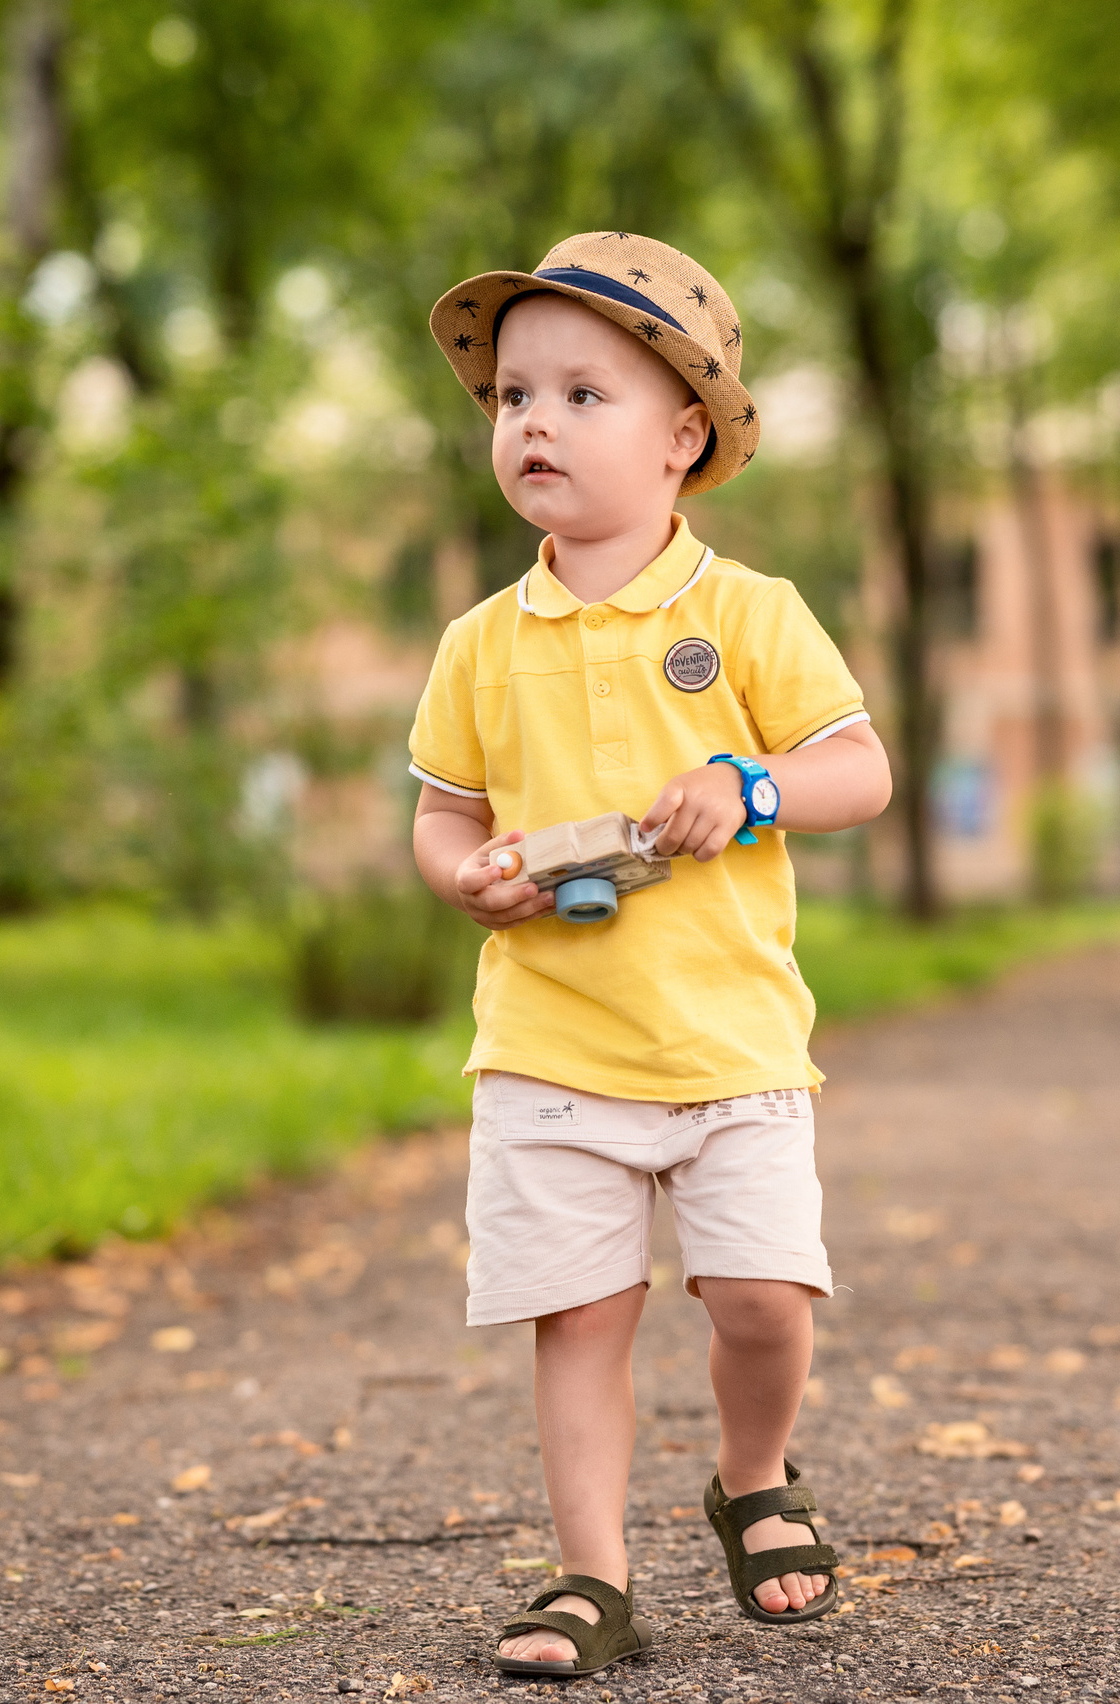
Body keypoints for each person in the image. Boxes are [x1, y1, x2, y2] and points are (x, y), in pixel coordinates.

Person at [406, 232, 894, 1678]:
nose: (535, 422)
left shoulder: (747, 614)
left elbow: (856, 773)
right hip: (554, 1044)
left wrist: (749, 786)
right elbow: (443, 815)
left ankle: (753, 1476)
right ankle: (590, 1577)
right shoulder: (482, 643)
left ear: (685, 438)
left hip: (728, 1039)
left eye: (582, 395)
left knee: (759, 1301)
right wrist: (469, 880)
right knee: (581, 1315)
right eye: (512, 398)